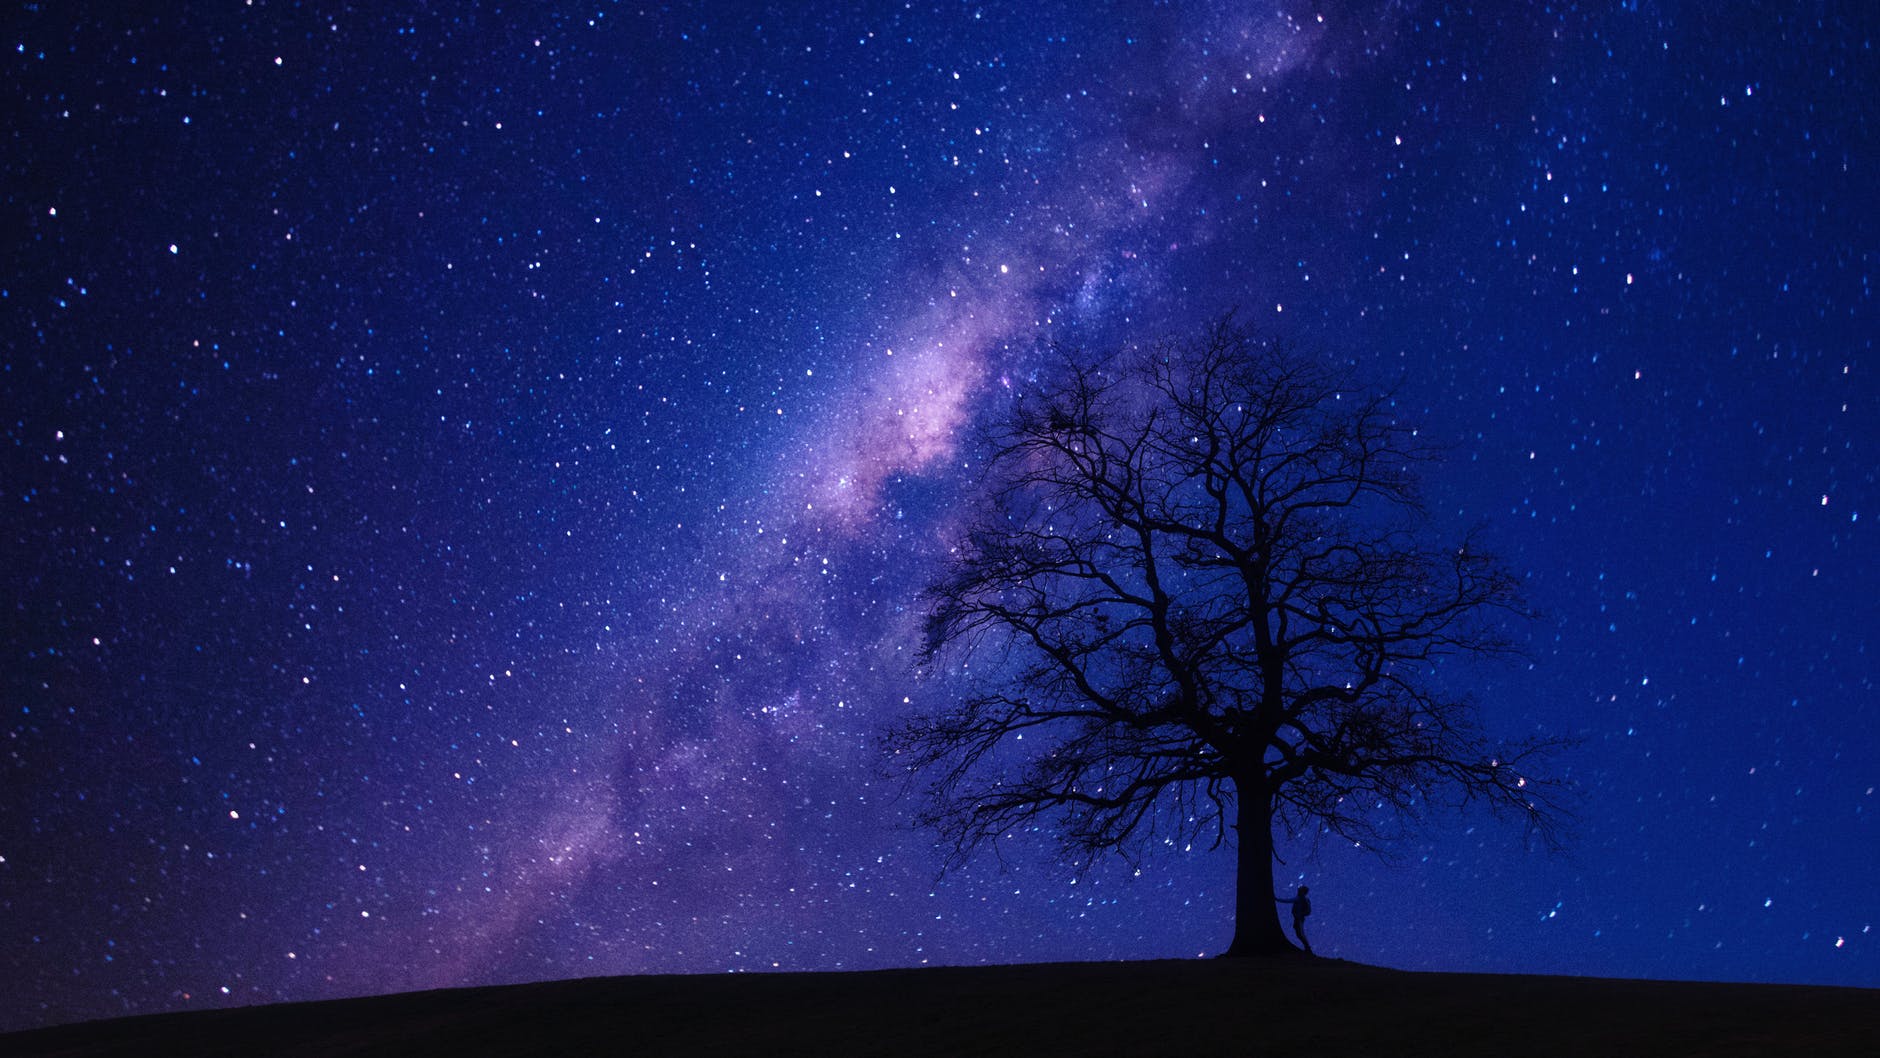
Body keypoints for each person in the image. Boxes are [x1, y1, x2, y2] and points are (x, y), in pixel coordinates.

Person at [1276, 885, 1313, 954]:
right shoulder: (1304, 899)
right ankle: (1307, 948)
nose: (1298, 892)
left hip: (1299, 918)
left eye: (1299, 890)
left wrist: (1277, 899)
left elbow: (1288, 900)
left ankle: (1308, 948)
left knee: (1300, 933)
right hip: (1299, 918)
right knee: (1299, 933)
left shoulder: (1300, 899)